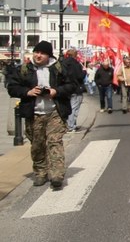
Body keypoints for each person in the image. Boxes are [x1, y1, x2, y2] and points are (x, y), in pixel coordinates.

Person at [7, 41, 76, 189]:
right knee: (37, 145)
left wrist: (56, 91)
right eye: (36, 52)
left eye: (42, 53)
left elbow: (71, 85)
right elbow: (12, 87)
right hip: (34, 113)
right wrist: (28, 92)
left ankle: (57, 174)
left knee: (54, 141)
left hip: (55, 112)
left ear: (48, 55)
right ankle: (40, 172)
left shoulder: (58, 69)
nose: (38, 55)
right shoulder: (25, 69)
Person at [60, 47, 86, 133]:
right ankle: (71, 126)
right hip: (76, 87)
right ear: (75, 55)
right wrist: (84, 71)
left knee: (70, 106)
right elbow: (79, 76)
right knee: (74, 107)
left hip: (67, 88)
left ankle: (71, 125)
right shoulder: (76, 64)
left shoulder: (63, 62)